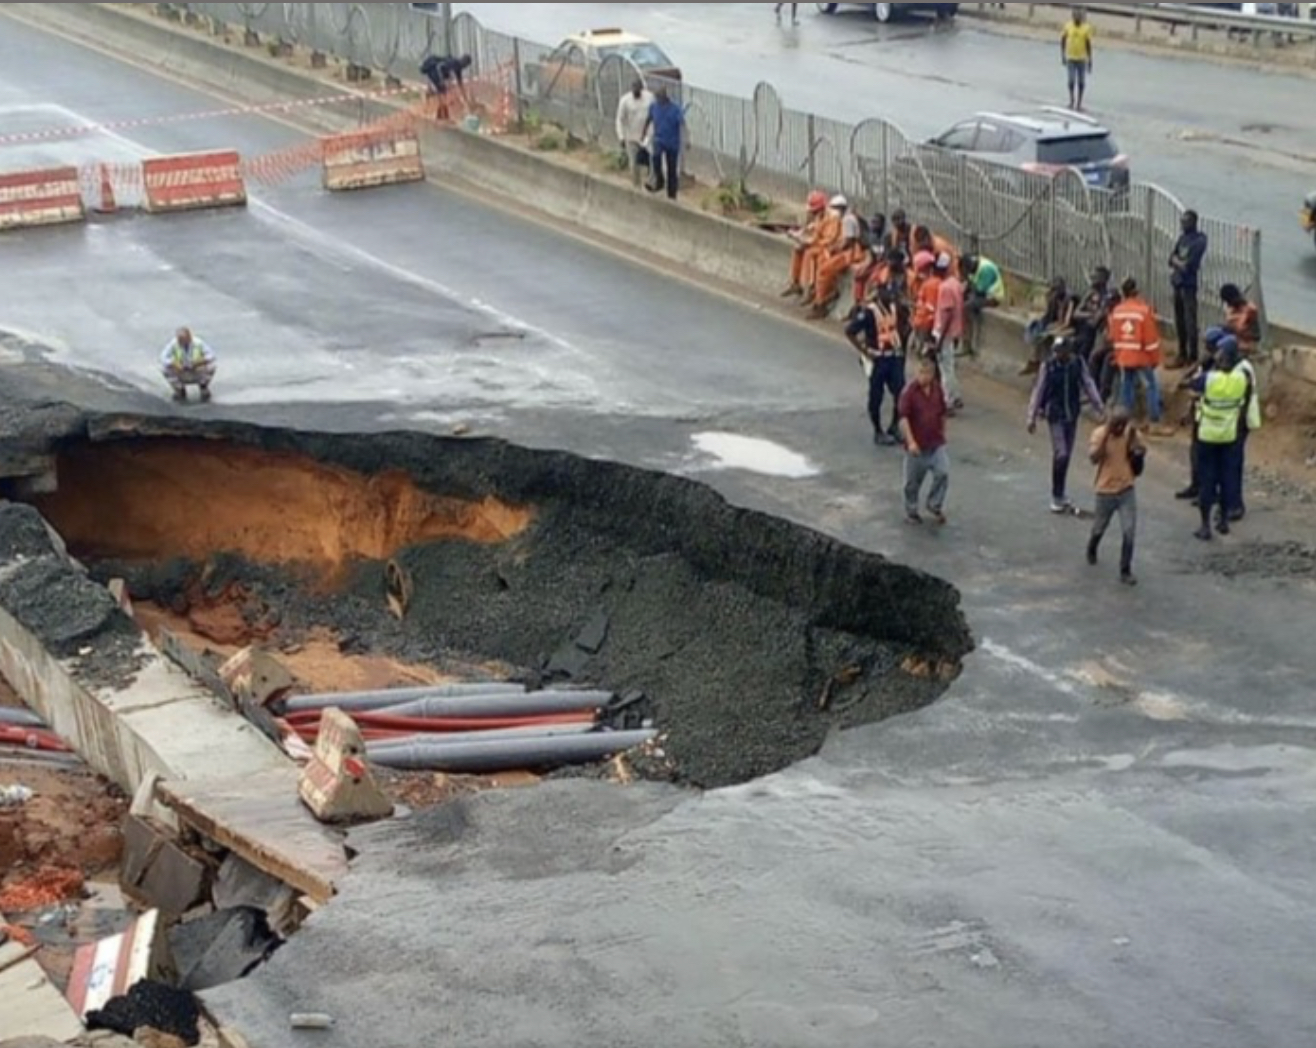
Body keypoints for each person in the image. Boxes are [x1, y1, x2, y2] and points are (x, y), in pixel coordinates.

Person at [1029, 336, 1105, 513]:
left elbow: (1088, 384)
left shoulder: (1077, 364)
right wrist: (1031, 416)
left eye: (1060, 352)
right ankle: (1056, 495)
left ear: (1068, 352)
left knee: (1067, 455)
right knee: (1061, 454)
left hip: (1072, 414)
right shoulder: (1048, 367)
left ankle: (1060, 493)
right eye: (1055, 351)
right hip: (1055, 414)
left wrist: (1099, 407)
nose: (1057, 355)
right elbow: (1039, 390)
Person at [1190, 339, 1249, 541]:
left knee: (1207, 481)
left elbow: (1192, 383)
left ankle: (1205, 526)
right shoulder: (1241, 379)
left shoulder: (1210, 378)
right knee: (1226, 479)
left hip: (1207, 435)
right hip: (1229, 435)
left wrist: (1208, 364)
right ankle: (1223, 520)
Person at [1086, 406, 1144, 587]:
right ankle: (1092, 546)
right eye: (1117, 425)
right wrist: (1106, 437)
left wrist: (1135, 445)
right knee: (1099, 526)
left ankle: (1125, 570)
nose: (1120, 429)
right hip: (1105, 491)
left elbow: (1141, 453)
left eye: (1123, 425)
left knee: (1129, 530)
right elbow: (1094, 458)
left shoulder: (1130, 433)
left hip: (1126, 488)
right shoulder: (1099, 434)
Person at [1107, 277, 1170, 434]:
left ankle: (1126, 420)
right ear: (1137, 292)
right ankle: (1154, 422)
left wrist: (1118, 355)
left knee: (1126, 385)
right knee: (1151, 386)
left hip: (1124, 355)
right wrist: (1155, 359)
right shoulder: (1144, 310)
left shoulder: (1117, 311)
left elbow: (1113, 336)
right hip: (1141, 356)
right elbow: (1150, 340)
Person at [847, 287, 905, 447]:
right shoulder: (869, 312)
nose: (891, 296)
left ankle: (894, 426)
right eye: (888, 293)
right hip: (877, 359)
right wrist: (864, 351)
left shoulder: (894, 307)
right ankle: (878, 431)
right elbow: (850, 331)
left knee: (901, 393)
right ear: (879, 294)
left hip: (894, 357)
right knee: (876, 397)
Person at [899, 358, 950, 526]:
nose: (924, 377)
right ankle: (911, 511)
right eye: (921, 372)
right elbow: (904, 418)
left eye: (927, 373)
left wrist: (943, 431)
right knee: (912, 482)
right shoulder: (909, 393)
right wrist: (911, 441)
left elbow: (942, 412)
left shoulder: (937, 390)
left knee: (942, 472)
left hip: (935, 443)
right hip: (917, 445)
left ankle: (934, 504)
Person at [809, 196, 866, 318]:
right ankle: (822, 296)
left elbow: (848, 241)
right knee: (822, 264)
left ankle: (821, 303)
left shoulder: (848, 220)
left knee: (823, 271)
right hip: (847, 252)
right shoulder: (845, 218)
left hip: (850, 254)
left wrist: (835, 249)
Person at [1168, 209, 1209, 368]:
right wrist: (1178, 262)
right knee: (1179, 321)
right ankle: (1182, 353)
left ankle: (1192, 356)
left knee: (1190, 321)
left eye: (1186, 221)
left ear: (1193, 222)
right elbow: (1170, 258)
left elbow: (1188, 265)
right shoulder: (1182, 238)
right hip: (1177, 284)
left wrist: (1177, 262)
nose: (1183, 224)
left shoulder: (1199, 240)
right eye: (1182, 221)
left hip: (1189, 286)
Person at [1022, 276, 1077, 376]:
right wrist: (1048, 328)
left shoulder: (1070, 300)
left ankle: (1052, 365)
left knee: (1055, 338)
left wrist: (1052, 331)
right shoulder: (1054, 299)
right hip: (1058, 325)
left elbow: (1066, 323)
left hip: (1070, 328)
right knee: (1039, 335)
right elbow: (1050, 317)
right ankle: (1035, 361)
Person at [932, 253, 966, 413]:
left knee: (945, 369)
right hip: (955, 331)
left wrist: (939, 341)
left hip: (944, 333)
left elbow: (947, 314)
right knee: (950, 366)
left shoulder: (945, 288)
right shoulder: (955, 283)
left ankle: (948, 401)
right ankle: (956, 396)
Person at [782, 190, 830, 300]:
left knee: (809, 254)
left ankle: (810, 289)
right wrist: (797, 235)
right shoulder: (818, 218)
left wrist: (808, 241)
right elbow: (809, 230)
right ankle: (795, 283)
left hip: (826, 247)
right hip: (818, 243)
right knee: (798, 249)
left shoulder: (830, 219)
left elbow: (827, 239)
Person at [643, 87, 685, 201]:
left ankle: (672, 194)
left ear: (665, 97)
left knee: (672, 169)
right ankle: (659, 180)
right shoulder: (654, 106)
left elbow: (682, 124)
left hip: (672, 143)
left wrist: (686, 139)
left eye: (659, 98)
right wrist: (643, 133)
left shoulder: (675, 108)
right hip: (659, 140)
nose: (658, 100)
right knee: (655, 157)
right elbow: (648, 119)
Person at [160, 328, 217, 404]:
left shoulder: (198, 343)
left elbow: (211, 355)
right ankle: (179, 389)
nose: (182, 343)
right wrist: (173, 363)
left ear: (190, 337)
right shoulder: (173, 344)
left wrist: (200, 362)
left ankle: (203, 386)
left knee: (211, 366)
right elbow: (163, 357)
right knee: (164, 369)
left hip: (196, 370)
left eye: (184, 340)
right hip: (181, 371)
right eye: (180, 340)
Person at [615, 79, 654, 189]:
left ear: (641, 89)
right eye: (634, 89)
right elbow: (619, 120)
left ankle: (651, 184)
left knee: (652, 161)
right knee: (633, 164)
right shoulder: (625, 101)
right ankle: (636, 186)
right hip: (631, 137)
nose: (636, 91)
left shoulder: (649, 98)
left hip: (647, 136)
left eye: (638, 89)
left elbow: (655, 114)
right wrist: (621, 137)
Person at [964, 254, 1006, 355]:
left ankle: (971, 340)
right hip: (984, 295)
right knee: (967, 301)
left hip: (994, 297)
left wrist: (969, 292)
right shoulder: (975, 267)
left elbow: (979, 290)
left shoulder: (986, 269)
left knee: (968, 306)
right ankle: (968, 340)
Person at [1061, 7, 1095, 111]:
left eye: (1079, 16)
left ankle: (1079, 103)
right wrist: (1063, 55)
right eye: (1075, 16)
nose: (1077, 18)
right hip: (1071, 57)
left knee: (1081, 82)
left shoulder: (1086, 28)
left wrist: (1090, 60)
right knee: (1071, 81)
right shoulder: (1068, 26)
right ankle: (1072, 100)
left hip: (1081, 58)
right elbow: (1063, 39)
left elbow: (1088, 44)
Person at [420, 54, 473, 120]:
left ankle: (440, 111)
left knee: (444, 90)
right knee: (442, 91)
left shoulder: (458, 68)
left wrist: (465, 99)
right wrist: (441, 80)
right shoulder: (454, 63)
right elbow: (439, 67)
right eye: (465, 64)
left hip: (436, 70)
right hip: (433, 69)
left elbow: (460, 84)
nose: (465, 66)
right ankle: (442, 113)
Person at [1220, 283, 1262, 358]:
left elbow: (1255, 335)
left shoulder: (1250, 309)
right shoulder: (1230, 310)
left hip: (1247, 347)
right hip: (1235, 344)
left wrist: (1233, 329)